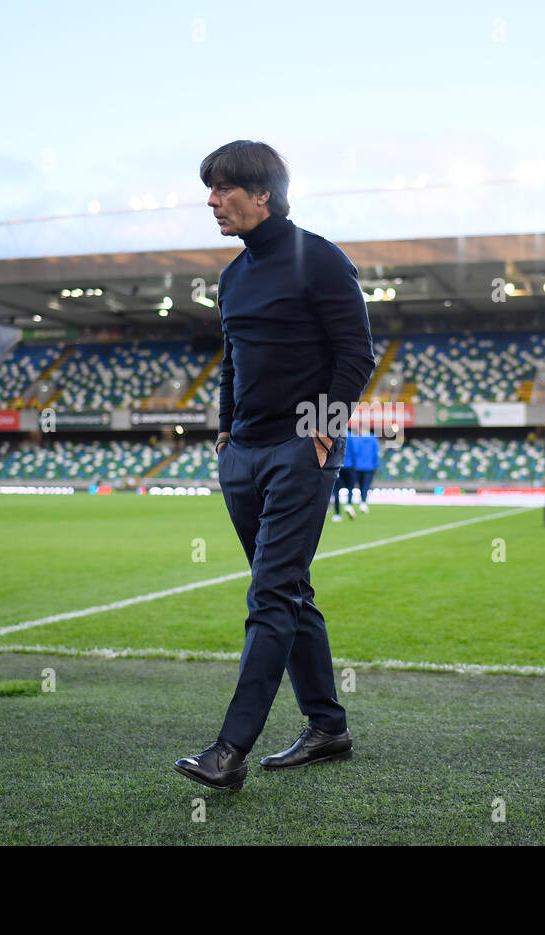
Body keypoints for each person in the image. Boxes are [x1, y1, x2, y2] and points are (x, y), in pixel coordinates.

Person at [173, 140, 375, 792]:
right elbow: (231, 359)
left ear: (263, 193)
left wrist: (320, 434)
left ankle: (229, 749)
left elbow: (355, 355)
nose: (211, 200)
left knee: (269, 594)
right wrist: (226, 431)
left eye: (224, 188)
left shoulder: (319, 258)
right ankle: (328, 726)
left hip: (299, 448)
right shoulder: (233, 276)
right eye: (210, 188)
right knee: (290, 590)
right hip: (244, 454)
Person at [350, 425, 380, 512]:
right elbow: (376, 453)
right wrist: (375, 465)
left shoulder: (356, 439)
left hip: (358, 466)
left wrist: (354, 463)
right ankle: (363, 503)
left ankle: (355, 503)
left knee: (359, 484)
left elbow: (354, 452)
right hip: (370, 466)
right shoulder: (374, 439)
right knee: (366, 485)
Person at [330, 438, 358, 521]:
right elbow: (354, 452)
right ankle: (349, 504)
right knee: (350, 486)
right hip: (349, 465)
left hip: (337, 465)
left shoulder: (334, 435)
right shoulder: (350, 437)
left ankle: (337, 514)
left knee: (336, 490)